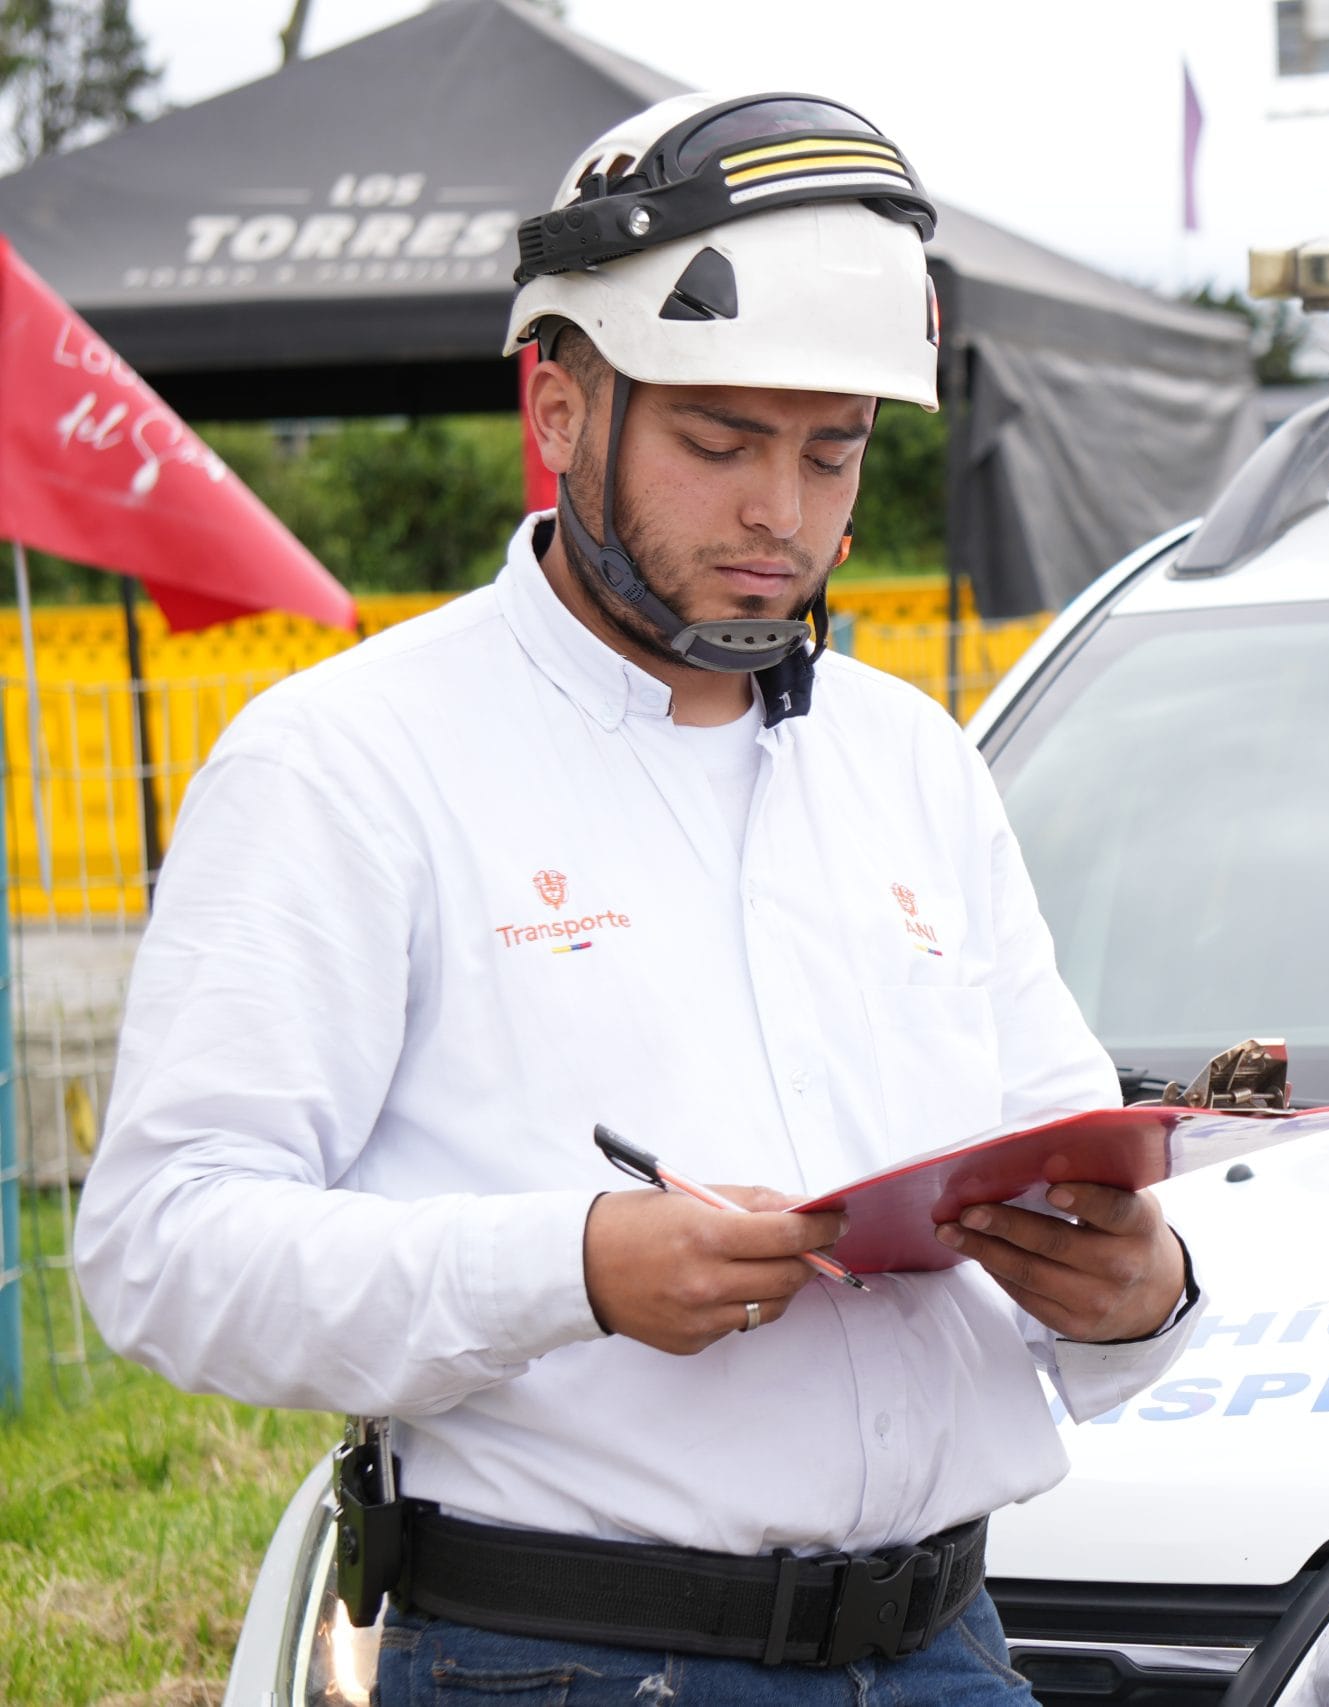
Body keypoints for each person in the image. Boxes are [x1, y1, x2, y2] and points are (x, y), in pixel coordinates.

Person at [73, 92, 1200, 1704]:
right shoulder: (347, 760)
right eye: (719, 442)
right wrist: (576, 1269)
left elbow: (1061, 1154)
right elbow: (163, 1249)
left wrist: (1140, 1295)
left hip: (948, 1648)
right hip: (566, 1661)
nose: (781, 514)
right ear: (557, 403)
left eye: (833, 450)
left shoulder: (910, 759)